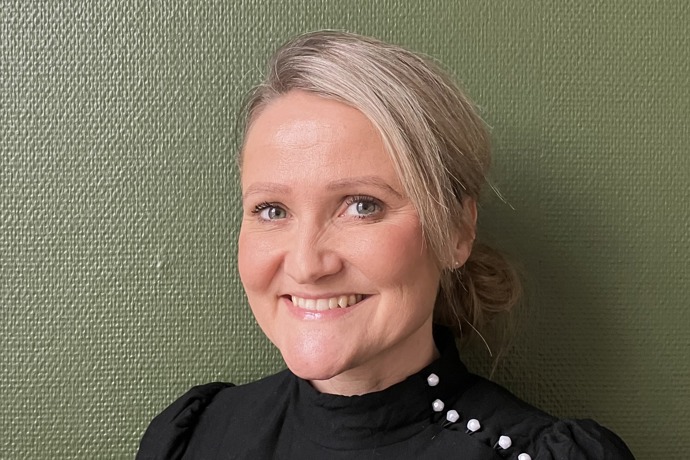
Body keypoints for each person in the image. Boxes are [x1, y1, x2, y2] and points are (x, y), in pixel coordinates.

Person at [137, 31, 634, 459]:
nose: (307, 264)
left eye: (362, 206)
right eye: (272, 210)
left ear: (457, 231)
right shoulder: (193, 438)